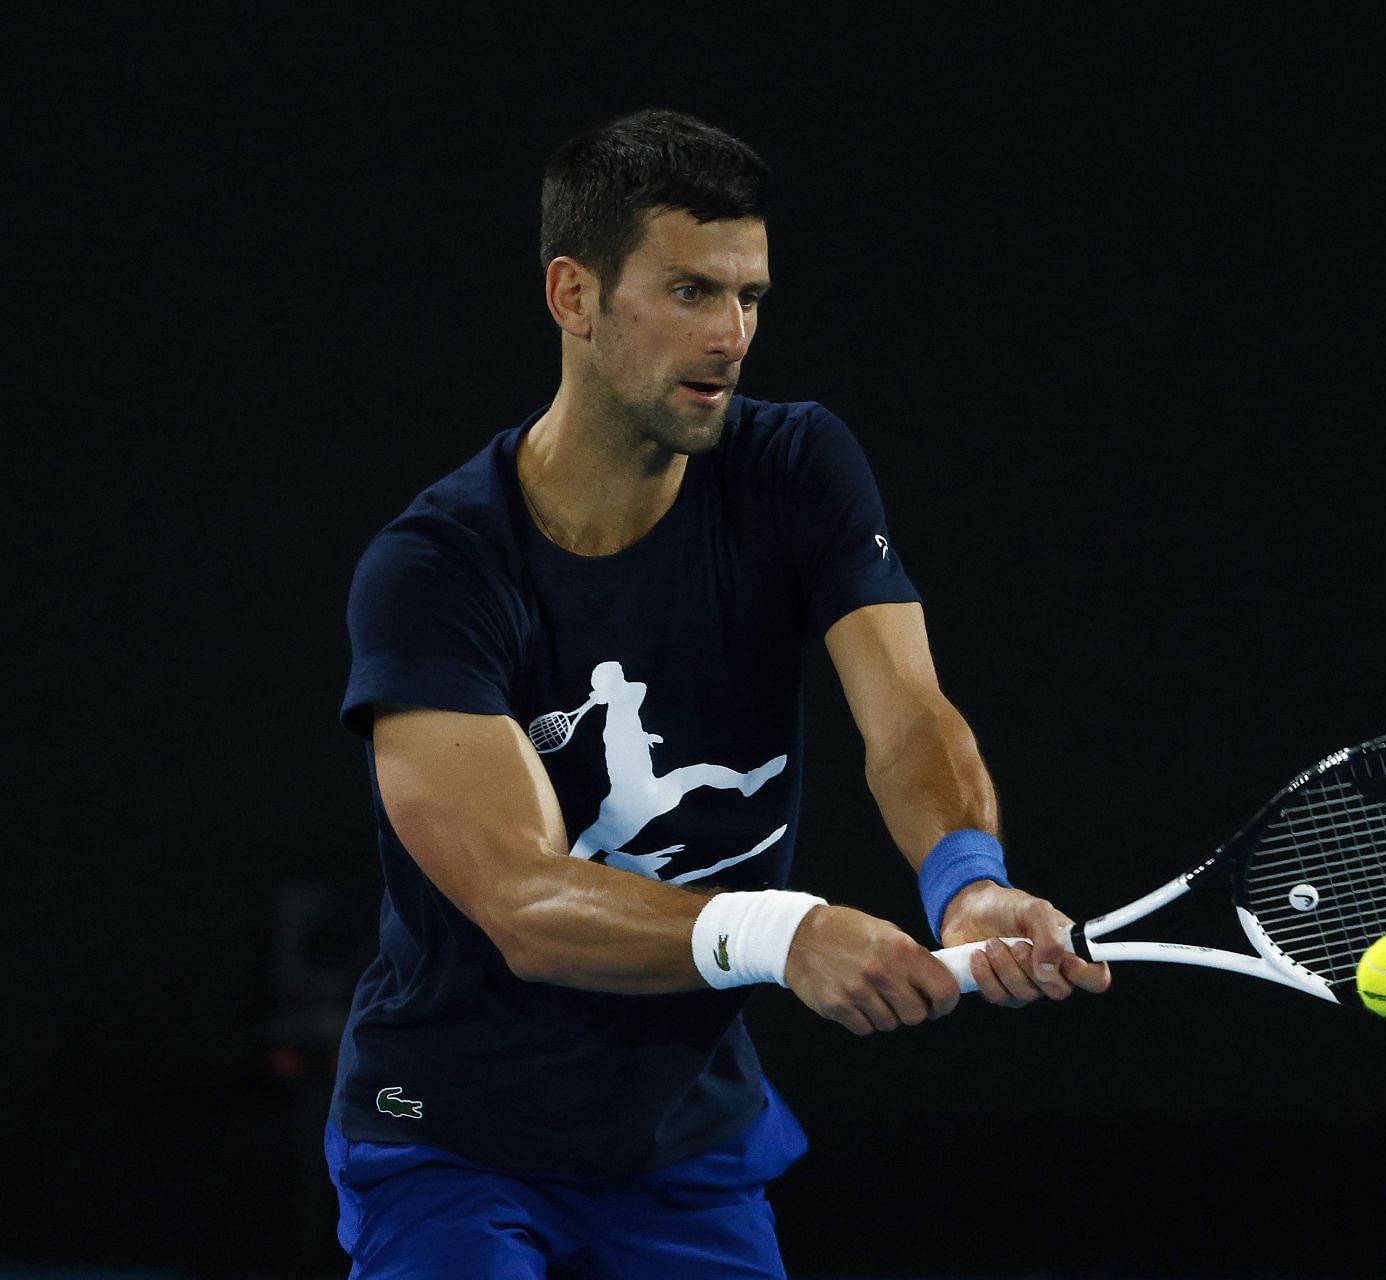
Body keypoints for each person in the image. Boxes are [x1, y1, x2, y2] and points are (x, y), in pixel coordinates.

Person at [325, 107, 1110, 1277]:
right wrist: (782, 929)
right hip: (456, 1141)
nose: (732, 334)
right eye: (692, 291)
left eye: (750, 297)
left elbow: (906, 715)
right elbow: (525, 904)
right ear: (573, 296)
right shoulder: (434, 570)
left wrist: (968, 880)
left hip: (683, 1142)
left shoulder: (797, 468)